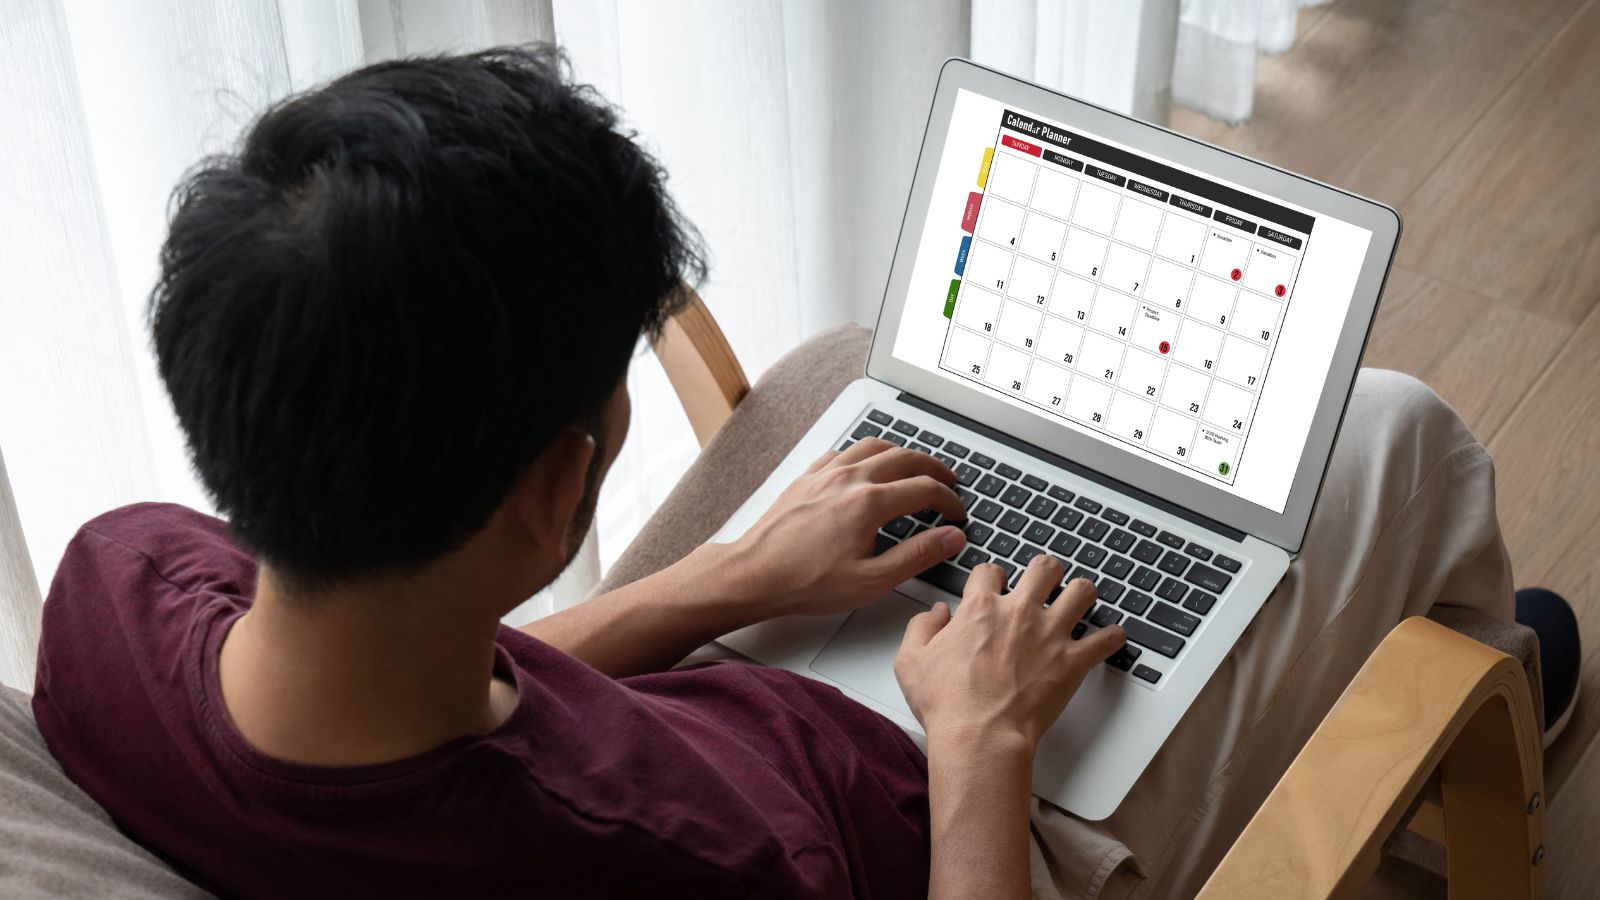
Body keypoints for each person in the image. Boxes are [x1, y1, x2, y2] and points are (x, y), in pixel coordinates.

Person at [31, 46, 1577, 900]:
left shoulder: (120, 584)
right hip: (951, 819)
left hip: (709, 710)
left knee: (862, 377)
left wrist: (728, 578)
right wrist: (982, 743)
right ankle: (1487, 711)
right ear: (556, 497)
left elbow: (422, 696)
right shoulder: (650, 863)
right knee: (1389, 432)